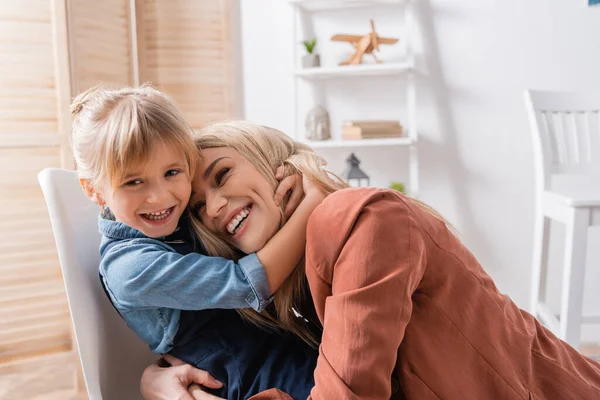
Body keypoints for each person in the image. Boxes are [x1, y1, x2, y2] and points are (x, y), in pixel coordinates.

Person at [147, 120, 600, 400]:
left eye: (222, 175)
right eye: (199, 207)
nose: (214, 207)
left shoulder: (360, 219)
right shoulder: (300, 280)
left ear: (271, 162)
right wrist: (156, 378)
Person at [71, 86, 322, 399]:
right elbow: (247, 283)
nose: (161, 196)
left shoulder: (174, 221)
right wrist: (314, 201)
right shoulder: (128, 268)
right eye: (133, 182)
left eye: (172, 172)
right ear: (93, 190)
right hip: (243, 372)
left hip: (275, 344)